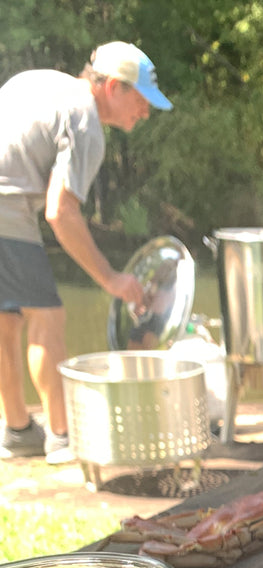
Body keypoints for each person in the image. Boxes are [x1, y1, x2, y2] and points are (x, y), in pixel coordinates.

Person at [0, 41, 171, 462]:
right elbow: (61, 212)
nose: (145, 111)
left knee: (6, 320)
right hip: (5, 208)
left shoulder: (42, 82)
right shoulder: (85, 120)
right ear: (113, 87)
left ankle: (17, 429)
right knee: (48, 315)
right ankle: (61, 438)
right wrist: (112, 280)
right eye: (141, 99)